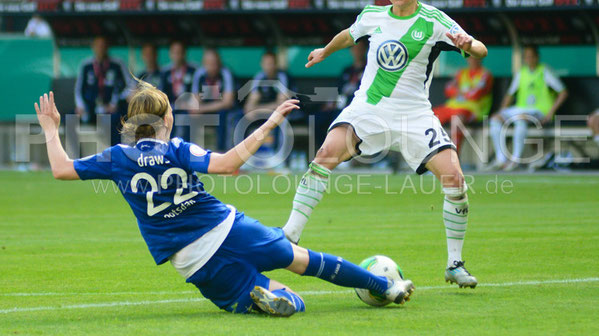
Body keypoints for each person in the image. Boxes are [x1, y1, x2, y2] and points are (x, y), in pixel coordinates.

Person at [33, 83, 415, 317]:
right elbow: (228, 164)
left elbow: (62, 169)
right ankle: (385, 286)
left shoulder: (116, 157)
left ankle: (259, 296)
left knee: (288, 302)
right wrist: (266, 126)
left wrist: (51, 129)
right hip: (229, 230)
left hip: (193, 264)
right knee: (303, 261)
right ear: (165, 120)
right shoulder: (177, 148)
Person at [281, 0, 488, 288]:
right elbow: (349, 35)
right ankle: (290, 233)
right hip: (369, 109)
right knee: (324, 157)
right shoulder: (373, 15)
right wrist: (324, 51)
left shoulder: (434, 20)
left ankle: (454, 263)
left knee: (454, 178)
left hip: (414, 114)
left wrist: (470, 45)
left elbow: (479, 49)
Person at [489, 45, 568, 171]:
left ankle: (515, 160)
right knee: (495, 119)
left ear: (537, 57)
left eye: (531, 56)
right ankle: (500, 159)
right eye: (526, 57)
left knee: (520, 119)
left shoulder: (545, 71)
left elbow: (563, 92)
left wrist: (550, 114)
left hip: (540, 111)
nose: (529, 59)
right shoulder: (522, 73)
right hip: (521, 109)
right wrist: (502, 112)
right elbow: (510, 95)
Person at [74, 35, 131, 145]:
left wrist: (116, 102)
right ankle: (75, 157)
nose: (101, 48)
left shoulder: (117, 64)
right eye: (98, 46)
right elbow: (78, 89)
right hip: (90, 108)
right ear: (93, 47)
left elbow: (130, 85)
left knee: (116, 120)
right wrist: (80, 106)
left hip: (111, 110)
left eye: (103, 46)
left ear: (107, 47)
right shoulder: (86, 65)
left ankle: (114, 155)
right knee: (69, 119)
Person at [432, 57, 493, 151]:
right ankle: (431, 153)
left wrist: (459, 93)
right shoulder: (461, 72)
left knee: (457, 120)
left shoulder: (485, 74)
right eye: (470, 57)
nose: (472, 59)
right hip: (452, 106)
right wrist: (465, 93)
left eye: (474, 57)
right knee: (430, 116)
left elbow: (477, 94)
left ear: (480, 59)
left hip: (473, 110)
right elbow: (448, 89)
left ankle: (454, 154)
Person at [314, 41, 367, 148]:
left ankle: (343, 153)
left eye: (360, 49)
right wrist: (330, 103)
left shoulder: (368, 70)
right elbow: (338, 91)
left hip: (355, 108)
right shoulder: (347, 71)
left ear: (365, 50)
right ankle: (324, 150)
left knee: (340, 120)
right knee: (316, 119)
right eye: (355, 49)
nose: (357, 51)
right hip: (338, 106)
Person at [190, 48, 236, 151]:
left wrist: (202, 109)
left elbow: (228, 102)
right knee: (186, 114)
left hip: (222, 111)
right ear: (204, 64)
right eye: (209, 64)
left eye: (215, 63)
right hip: (207, 110)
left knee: (224, 114)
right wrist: (199, 109)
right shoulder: (200, 74)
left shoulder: (226, 73)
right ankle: (190, 153)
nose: (213, 67)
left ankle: (222, 151)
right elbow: (195, 102)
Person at [160, 40, 197, 140]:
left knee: (186, 117)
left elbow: (197, 92)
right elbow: (161, 94)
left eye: (180, 52)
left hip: (188, 108)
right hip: (171, 107)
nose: (177, 55)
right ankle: (167, 147)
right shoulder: (165, 71)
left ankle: (185, 148)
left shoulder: (194, 70)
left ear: (184, 53)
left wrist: (191, 103)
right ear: (170, 54)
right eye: (174, 52)